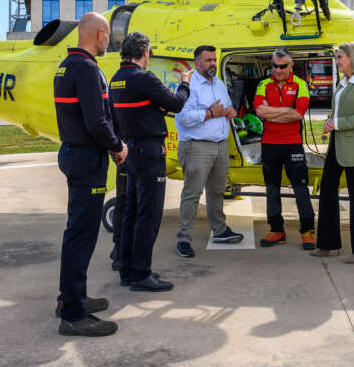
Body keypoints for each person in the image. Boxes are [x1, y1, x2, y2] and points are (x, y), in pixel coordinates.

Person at [53, 12, 127, 337]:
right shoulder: (86, 69)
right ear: (99, 34)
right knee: (81, 235)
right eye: (108, 35)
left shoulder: (67, 66)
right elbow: (97, 121)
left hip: (75, 154)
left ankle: (72, 297)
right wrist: (118, 147)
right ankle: (72, 314)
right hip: (87, 159)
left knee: (77, 232)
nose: (109, 41)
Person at [109, 31, 191, 291]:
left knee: (131, 211)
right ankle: (141, 274)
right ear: (145, 53)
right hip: (149, 151)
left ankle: (126, 270)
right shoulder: (143, 78)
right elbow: (176, 104)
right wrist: (184, 83)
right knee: (149, 214)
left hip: (129, 150)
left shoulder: (116, 80)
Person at [313, 42, 354, 264]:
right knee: (327, 191)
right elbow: (341, 111)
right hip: (338, 143)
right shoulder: (343, 82)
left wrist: (337, 123)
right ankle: (328, 244)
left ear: (351, 57)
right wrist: (332, 123)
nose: (337, 60)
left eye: (340, 57)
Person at [174, 45, 244, 257]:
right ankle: (183, 239)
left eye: (214, 59)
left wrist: (229, 111)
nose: (213, 64)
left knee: (217, 191)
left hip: (220, 146)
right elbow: (183, 117)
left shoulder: (219, 84)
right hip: (197, 146)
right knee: (192, 194)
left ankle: (220, 230)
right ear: (197, 64)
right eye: (208, 60)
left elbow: (227, 107)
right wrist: (210, 113)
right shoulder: (189, 86)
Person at [255, 48, 316, 249]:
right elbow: (259, 111)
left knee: (300, 188)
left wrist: (272, 114)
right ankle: (276, 230)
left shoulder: (301, 85)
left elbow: (298, 114)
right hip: (269, 144)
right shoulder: (264, 84)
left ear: (291, 65)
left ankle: (307, 231)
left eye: (283, 66)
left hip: (292, 144)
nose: (278, 70)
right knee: (271, 189)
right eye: (275, 66)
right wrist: (284, 111)